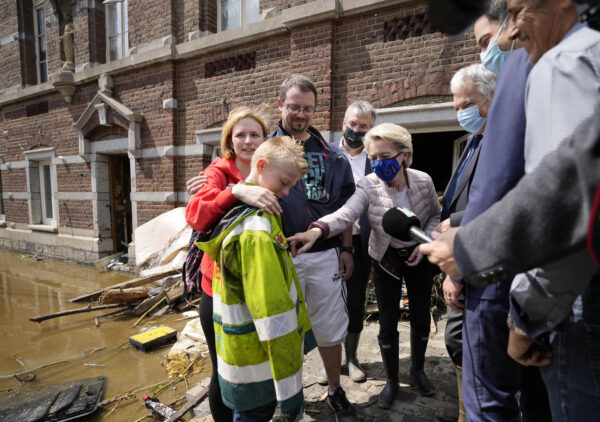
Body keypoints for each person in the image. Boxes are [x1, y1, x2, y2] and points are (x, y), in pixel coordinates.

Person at [421, 1, 600, 420]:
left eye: (518, 12)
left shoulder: (565, 62)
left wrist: (528, 315)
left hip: (570, 302)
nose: (511, 35)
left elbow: (568, 203)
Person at [289, 122, 441, 407]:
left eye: (385, 157)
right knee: (387, 321)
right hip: (385, 257)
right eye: (373, 158)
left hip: (418, 255)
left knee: (421, 315)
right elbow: (346, 214)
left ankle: (419, 371)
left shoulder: (423, 181)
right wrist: (318, 229)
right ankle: (392, 380)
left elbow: (434, 214)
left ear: (404, 154)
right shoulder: (369, 184)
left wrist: (425, 242)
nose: (378, 164)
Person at [198, 136, 315, 422]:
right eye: (284, 182)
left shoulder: (242, 214)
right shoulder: (257, 228)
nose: (287, 192)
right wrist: (290, 395)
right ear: (260, 166)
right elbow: (274, 315)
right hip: (262, 368)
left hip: (243, 360)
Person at [184, 106, 282, 422]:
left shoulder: (270, 168)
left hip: (258, 289)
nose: (248, 141)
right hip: (220, 293)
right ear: (230, 139)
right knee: (224, 370)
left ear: (265, 139)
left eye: (255, 134)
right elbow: (196, 215)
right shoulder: (219, 171)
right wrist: (236, 191)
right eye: (240, 135)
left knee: (254, 364)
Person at [270, 74, 358, 421]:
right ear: (281, 105)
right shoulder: (265, 150)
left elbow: (347, 206)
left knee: (328, 327)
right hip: (279, 258)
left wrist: (348, 249)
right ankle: (287, 401)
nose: (301, 115)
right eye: (294, 107)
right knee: (281, 330)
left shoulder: (332, 155)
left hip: (325, 256)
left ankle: (335, 390)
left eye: (307, 109)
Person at [442, 63, 496, 422]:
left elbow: (492, 200)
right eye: (456, 104)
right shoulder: (473, 140)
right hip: (459, 260)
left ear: (490, 100)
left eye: (467, 104)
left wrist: (453, 224)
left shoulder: (499, 143)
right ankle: (466, 411)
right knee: (458, 342)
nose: (460, 111)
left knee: (476, 347)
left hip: (478, 261)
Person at [314, 100, 376, 385]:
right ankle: (331, 362)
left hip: (362, 242)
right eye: (353, 124)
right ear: (343, 123)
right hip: (328, 239)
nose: (357, 130)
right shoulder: (325, 155)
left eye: (363, 126)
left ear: (371, 128)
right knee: (326, 299)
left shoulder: (376, 159)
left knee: (355, 298)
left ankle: (351, 358)